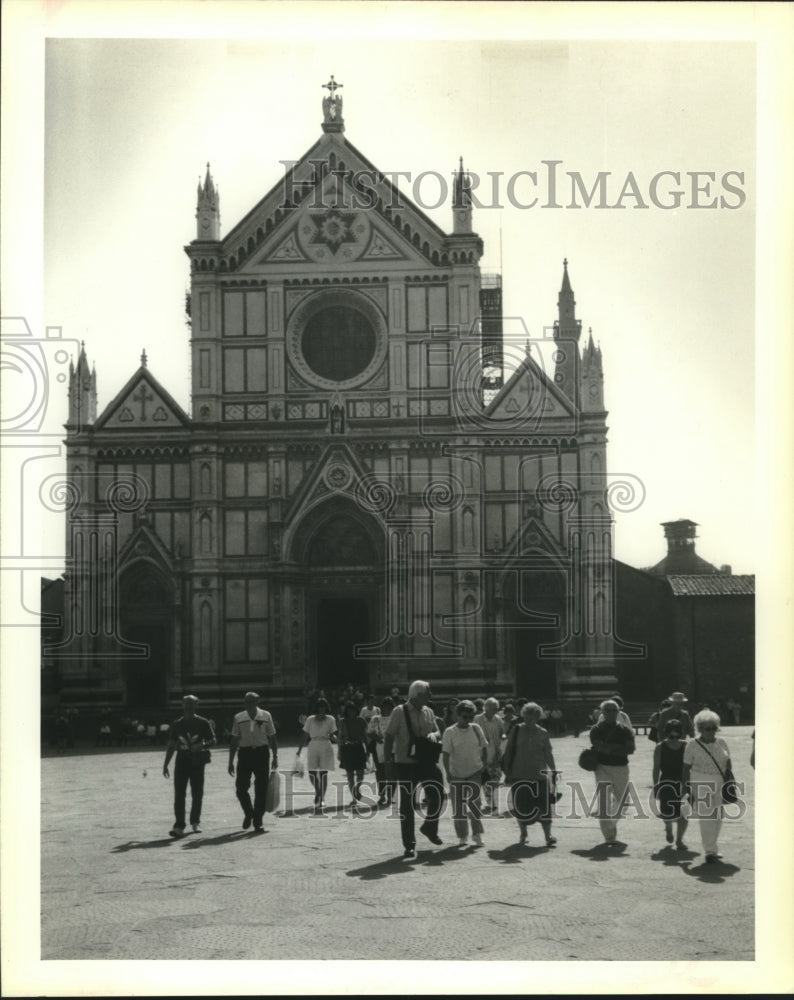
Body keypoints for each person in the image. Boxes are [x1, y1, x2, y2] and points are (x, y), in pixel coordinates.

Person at [383, 680, 444, 858]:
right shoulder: (399, 711)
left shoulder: (429, 711)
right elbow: (388, 736)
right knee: (407, 805)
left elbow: (437, 731)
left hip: (426, 761)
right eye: (428, 693)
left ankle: (429, 827)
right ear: (418, 695)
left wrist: (434, 734)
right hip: (405, 764)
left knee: (438, 794)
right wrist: (388, 762)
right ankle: (409, 844)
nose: (431, 695)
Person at [501, 702, 558, 847]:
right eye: (526, 717)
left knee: (544, 806)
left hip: (539, 774)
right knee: (521, 806)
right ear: (523, 716)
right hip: (519, 774)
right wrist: (507, 770)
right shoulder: (516, 730)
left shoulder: (543, 732)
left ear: (538, 717)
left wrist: (553, 770)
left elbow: (548, 753)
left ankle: (548, 835)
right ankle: (523, 834)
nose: (529, 720)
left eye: (532, 717)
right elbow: (509, 750)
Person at [682, 709, 733, 863]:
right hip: (700, 781)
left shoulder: (722, 742)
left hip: (720, 781)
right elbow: (685, 767)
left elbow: (728, 761)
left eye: (713, 728)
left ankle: (713, 846)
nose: (710, 731)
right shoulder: (692, 744)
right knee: (707, 816)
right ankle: (709, 850)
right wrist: (685, 788)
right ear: (700, 729)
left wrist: (729, 780)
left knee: (718, 816)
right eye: (706, 728)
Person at [162, 694, 216, 837]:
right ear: (182, 705)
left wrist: (202, 745)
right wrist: (166, 764)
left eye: (192, 704)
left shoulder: (203, 722)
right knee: (179, 794)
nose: (189, 706)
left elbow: (213, 740)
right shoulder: (177, 724)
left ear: (197, 705)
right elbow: (172, 744)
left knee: (197, 793)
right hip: (181, 761)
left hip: (197, 761)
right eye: (186, 704)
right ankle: (179, 825)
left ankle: (195, 822)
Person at [227, 691, 278, 832]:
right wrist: (230, 761)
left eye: (251, 701)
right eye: (246, 701)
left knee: (261, 788)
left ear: (257, 702)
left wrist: (275, 756)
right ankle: (249, 812)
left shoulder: (266, 715)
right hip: (244, 754)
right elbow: (235, 739)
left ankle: (258, 820)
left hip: (262, 753)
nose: (248, 704)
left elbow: (272, 737)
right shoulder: (239, 717)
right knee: (241, 788)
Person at [589, 699, 635, 845]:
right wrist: (618, 747)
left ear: (618, 712)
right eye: (607, 710)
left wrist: (609, 747)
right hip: (602, 767)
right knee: (604, 802)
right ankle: (609, 836)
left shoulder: (625, 730)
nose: (611, 713)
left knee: (623, 802)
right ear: (602, 712)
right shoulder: (596, 729)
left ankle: (611, 824)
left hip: (621, 768)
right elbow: (600, 747)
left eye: (614, 710)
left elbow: (630, 749)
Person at [442, 700, 488, 847]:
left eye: (470, 716)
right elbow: (446, 755)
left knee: (475, 804)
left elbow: (484, 747)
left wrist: (483, 765)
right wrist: (448, 773)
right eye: (464, 716)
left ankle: (477, 834)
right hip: (457, 774)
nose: (468, 720)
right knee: (458, 807)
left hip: (475, 771)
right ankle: (462, 835)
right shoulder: (450, 732)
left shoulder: (476, 728)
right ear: (457, 715)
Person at [652, 718, 689, 848]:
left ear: (681, 734)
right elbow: (656, 767)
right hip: (666, 782)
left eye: (676, 735)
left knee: (684, 813)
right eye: (670, 736)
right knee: (667, 813)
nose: (674, 739)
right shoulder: (660, 747)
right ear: (666, 733)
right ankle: (668, 827)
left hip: (683, 782)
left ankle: (679, 840)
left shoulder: (686, 746)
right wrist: (656, 785)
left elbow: (691, 766)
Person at [296, 698, 338, 813]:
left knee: (323, 772)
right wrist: (299, 749)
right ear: (316, 708)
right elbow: (305, 735)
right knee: (312, 772)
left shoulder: (330, 719)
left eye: (324, 707)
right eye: (320, 707)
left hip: (325, 745)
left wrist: (339, 743)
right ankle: (318, 791)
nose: (322, 709)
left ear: (326, 707)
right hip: (313, 744)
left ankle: (322, 798)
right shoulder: (310, 719)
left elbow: (333, 734)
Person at [474, 697, 505, 812]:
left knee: (496, 777)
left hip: (496, 752)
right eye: (493, 709)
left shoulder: (498, 719)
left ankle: (491, 799)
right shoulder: (478, 719)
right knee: (486, 778)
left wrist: (504, 737)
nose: (495, 711)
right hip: (482, 753)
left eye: (496, 709)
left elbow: (503, 734)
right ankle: (491, 801)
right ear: (486, 708)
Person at [338, 701, 368, 807]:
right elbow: (340, 738)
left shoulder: (361, 721)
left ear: (356, 711)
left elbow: (365, 736)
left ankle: (357, 789)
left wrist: (367, 751)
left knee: (360, 774)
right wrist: (339, 751)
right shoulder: (342, 722)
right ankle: (354, 798)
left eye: (353, 710)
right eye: (349, 710)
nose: (351, 712)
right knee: (350, 776)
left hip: (358, 748)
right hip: (347, 749)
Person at [369, 697, 396, 806]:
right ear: (382, 707)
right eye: (386, 706)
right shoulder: (375, 719)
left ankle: (391, 796)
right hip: (379, 748)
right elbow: (369, 732)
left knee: (392, 773)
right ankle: (382, 795)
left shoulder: (396, 718)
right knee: (380, 773)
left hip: (394, 748)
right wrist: (377, 738)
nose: (387, 708)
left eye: (390, 706)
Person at [359, 694, 381, 771]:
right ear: (367, 702)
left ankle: (374, 766)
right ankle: (367, 765)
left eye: (372, 700)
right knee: (367, 749)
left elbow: (380, 720)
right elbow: (360, 721)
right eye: (370, 701)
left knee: (375, 749)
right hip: (366, 733)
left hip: (375, 733)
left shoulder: (377, 709)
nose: (371, 702)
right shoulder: (363, 710)